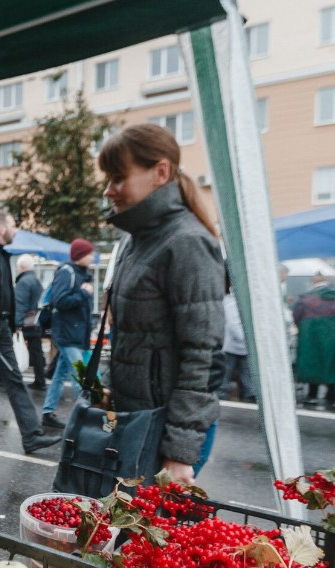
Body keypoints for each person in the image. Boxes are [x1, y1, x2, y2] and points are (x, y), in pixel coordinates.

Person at [98, 123, 225, 486]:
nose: (109, 191)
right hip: (137, 418)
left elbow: (202, 355)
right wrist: (110, 386)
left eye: (118, 177)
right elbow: (133, 336)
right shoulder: (136, 240)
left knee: (147, 538)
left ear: (161, 172)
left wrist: (180, 452)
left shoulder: (187, 243)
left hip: (164, 428)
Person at [0, 212, 59, 454]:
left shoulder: (3, 255)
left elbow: (6, 294)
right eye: (13, 225)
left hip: (2, 329)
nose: (16, 230)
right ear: (0, 227)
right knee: (5, 382)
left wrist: (11, 323)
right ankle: (31, 435)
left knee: (10, 381)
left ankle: (31, 435)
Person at [41, 238, 95, 430]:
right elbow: (59, 301)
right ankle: (87, 417)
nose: (92, 256)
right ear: (80, 256)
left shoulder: (83, 276)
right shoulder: (67, 272)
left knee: (60, 374)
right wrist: (83, 294)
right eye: (89, 253)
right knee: (81, 375)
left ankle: (47, 412)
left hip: (76, 335)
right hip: (67, 334)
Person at [293, 271, 335, 409]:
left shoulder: (307, 299)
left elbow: (297, 315)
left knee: (313, 363)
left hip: (311, 336)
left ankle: (312, 395)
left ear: (313, 283)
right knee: (334, 364)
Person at [13, 254, 46, 391]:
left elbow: (20, 305)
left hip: (26, 322)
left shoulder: (23, 282)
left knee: (14, 348)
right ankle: (40, 379)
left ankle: (10, 379)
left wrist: (16, 324)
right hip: (35, 321)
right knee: (36, 351)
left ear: (21, 267)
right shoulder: (36, 281)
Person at [220, 275, 254, 402]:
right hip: (234, 344)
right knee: (231, 370)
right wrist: (244, 338)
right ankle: (246, 392)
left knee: (233, 370)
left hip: (237, 344)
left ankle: (248, 392)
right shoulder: (234, 302)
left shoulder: (232, 300)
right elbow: (233, 324)